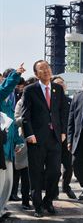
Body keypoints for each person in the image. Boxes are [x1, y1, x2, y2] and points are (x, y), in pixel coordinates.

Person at [21, 60, 68, 217]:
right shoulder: (30, 90)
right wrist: (29, 134)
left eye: (47, 67)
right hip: (36, 139)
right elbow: (25, 115)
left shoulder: (58, 89)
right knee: (36, 173)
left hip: (55, 138)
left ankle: (48, 201)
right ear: (36, 74)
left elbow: (62, 111)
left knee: (55, 172)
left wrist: (63, 132)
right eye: (42, 69)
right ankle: (38, 206)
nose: (46, 71)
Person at [0, 64, 25, 221]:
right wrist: (15, 74)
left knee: (8, 181)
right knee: (0, 179)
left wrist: (18, 141)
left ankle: (2, 208)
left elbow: (13, 122)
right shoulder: (3, 93)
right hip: (1, 146)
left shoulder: (13, 96)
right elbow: (5, 88)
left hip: (9, 145)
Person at [13, 77, 38, 211]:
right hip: (24, 141)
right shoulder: (21, 103)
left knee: (38, 173)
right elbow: (16, 119)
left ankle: (36, 199)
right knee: (25, 174)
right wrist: (27, 120)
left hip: (40, 141)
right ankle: (25, 201)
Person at [51, 76, 76, 199]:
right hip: (53, 138)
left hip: (67, 139)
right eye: (57, 84)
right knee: (54, 168)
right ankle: (53, 190)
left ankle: (66, 187)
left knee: (68, 166)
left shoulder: (70, 101)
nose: (61, 85)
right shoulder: (49, 101)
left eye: (62, 83)